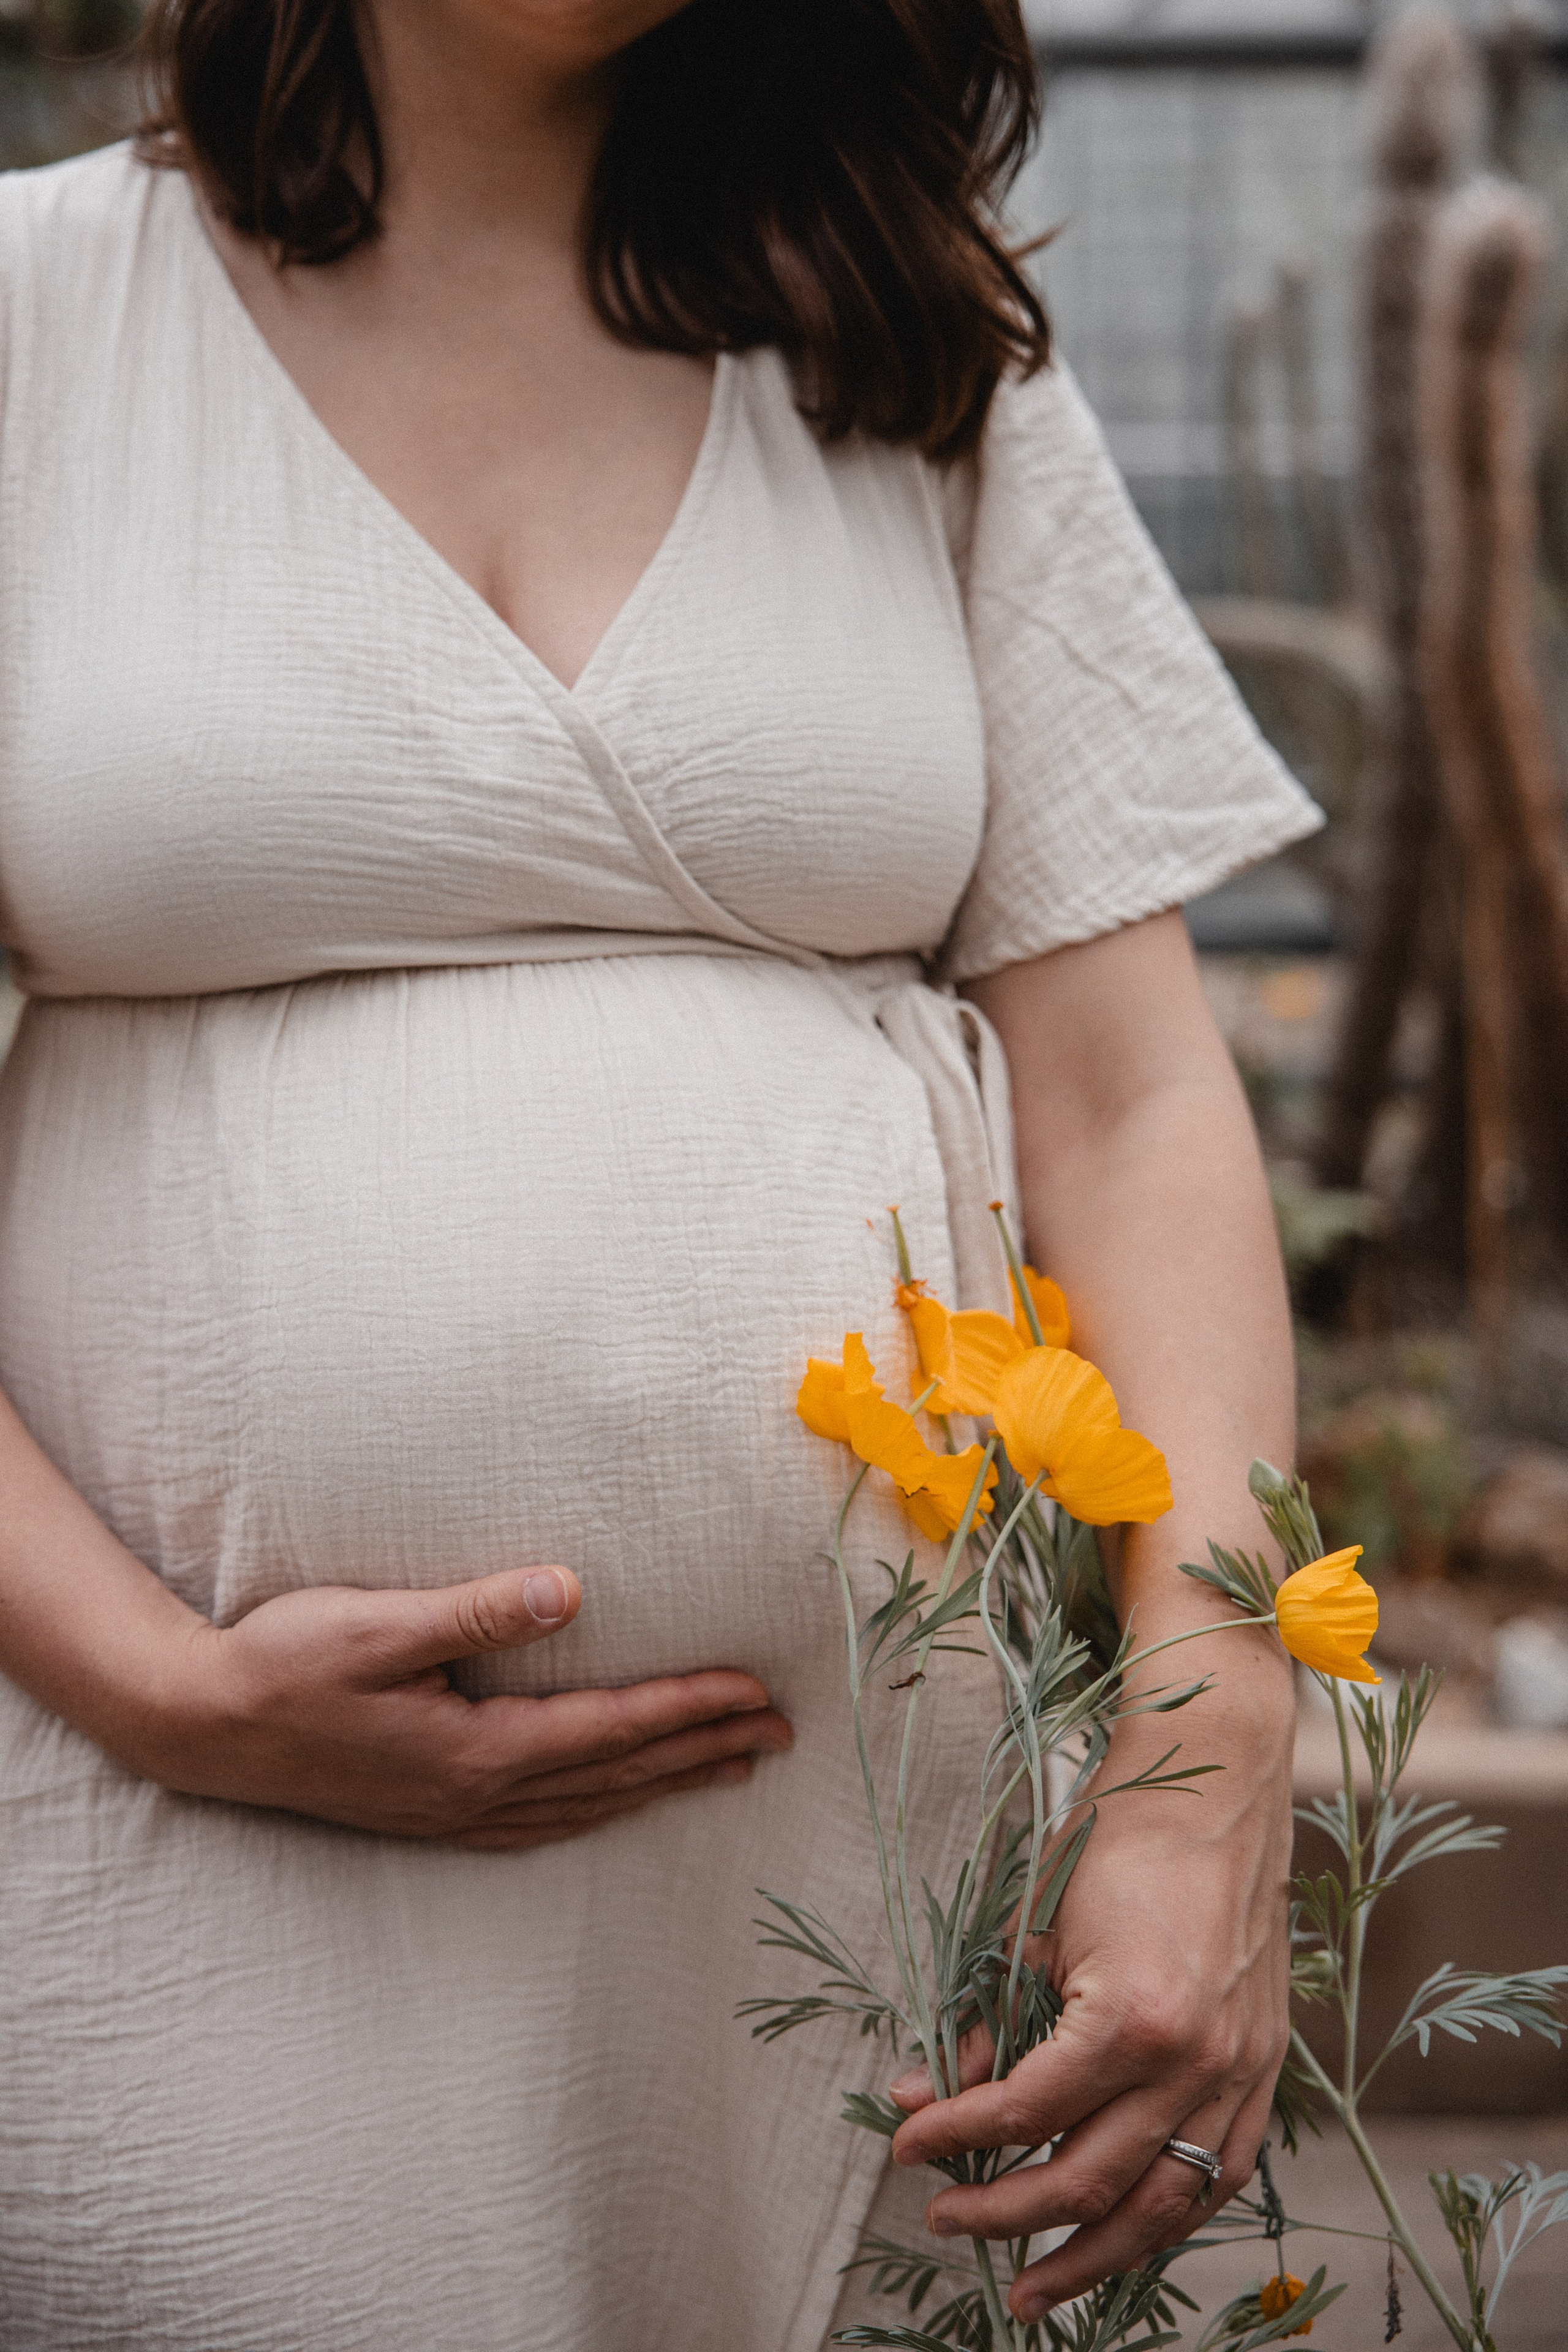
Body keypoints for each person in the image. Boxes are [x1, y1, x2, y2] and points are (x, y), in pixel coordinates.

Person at [0, 2, 1322, 2345]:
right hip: (172, 1818)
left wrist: (1202, 1784)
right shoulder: (31, 328)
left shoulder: (906, 346)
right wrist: (147, 1682)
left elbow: (1136, 1109)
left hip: (863, 1881)